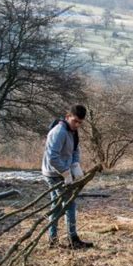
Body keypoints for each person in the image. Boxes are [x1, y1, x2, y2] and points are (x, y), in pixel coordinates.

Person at [42, 105, 93, 249]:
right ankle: (73, 240)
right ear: (67, 117)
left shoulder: (73, 132)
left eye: (80, 123)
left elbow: (75, 149)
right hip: (53, 174)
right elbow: (52, 157)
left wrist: (75, 165)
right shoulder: (59, 132)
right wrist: (65, 173)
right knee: (70, 204)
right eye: (75, 121)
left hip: (62, 171)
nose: (77, 125)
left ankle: (52, 239)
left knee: (56, 206)